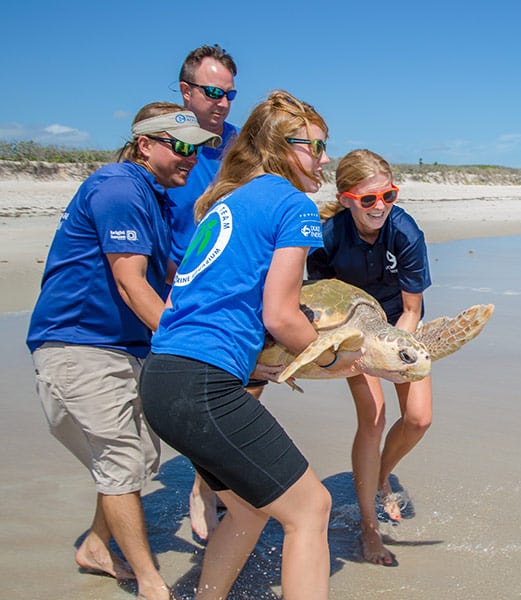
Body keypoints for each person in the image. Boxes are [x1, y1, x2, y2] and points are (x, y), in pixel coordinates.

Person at [140, 90, 358, 599]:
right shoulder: (292, 204)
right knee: (310, 509)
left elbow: (192, 304)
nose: (325, 159)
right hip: (203, 385)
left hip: (163, 379)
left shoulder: (225, 203)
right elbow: (280, 315)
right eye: (316, 146)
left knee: (247, 509)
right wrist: (332, 357)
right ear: (285, 146)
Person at [26, 103, 222, 600]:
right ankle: (154, 586)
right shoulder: (118, 187)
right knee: (120, 459)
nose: (190, 157)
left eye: (196, 148)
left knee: (137, 458)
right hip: (80, 346)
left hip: (122, 348)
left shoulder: (153, 199)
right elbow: (132, 282)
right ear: (144, 145)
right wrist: (188, 348)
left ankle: (96, 544)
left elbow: (176, 280)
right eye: (180, 146)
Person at [307, 149, 433, 567]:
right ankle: (369, 528)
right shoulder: (327, 235)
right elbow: (319, 299)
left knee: (418, 418)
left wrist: (393, 355)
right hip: (354, 331)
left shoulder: (406, 233)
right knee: (374, 417)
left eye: (388, 196)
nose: (380, 206)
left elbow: (412, 309)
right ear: (346, 199)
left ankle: (380, 475)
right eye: (368, 200)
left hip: (398, 327)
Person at [167, 43, 244, 542]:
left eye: (229, 93)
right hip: (170, 284)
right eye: (213, 91)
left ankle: (205, 486)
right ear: (186, 91)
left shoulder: (242, 145)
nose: (221, 102)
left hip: (226, 288)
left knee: (228, 393)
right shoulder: (167, 141)